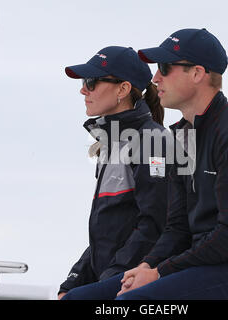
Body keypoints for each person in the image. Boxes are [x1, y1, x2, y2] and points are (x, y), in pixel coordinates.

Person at [61, 28, 228, 301]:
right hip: (204, 264)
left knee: (130, 303)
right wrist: (146, 267)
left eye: (164, 67)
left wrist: (160, 271)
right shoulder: (181, 138)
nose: (155, 77)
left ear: (197, 73)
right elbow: (176, 227)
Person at [58, 46, 171, 299]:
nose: (83, 90)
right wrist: (73, 281)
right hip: (113, 280)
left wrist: (107, 283)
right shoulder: (112, 147)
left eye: (91, 82)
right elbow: (106, 235)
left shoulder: (152, 141)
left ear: (123, 89)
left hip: (133, 284)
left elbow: (154, 226)